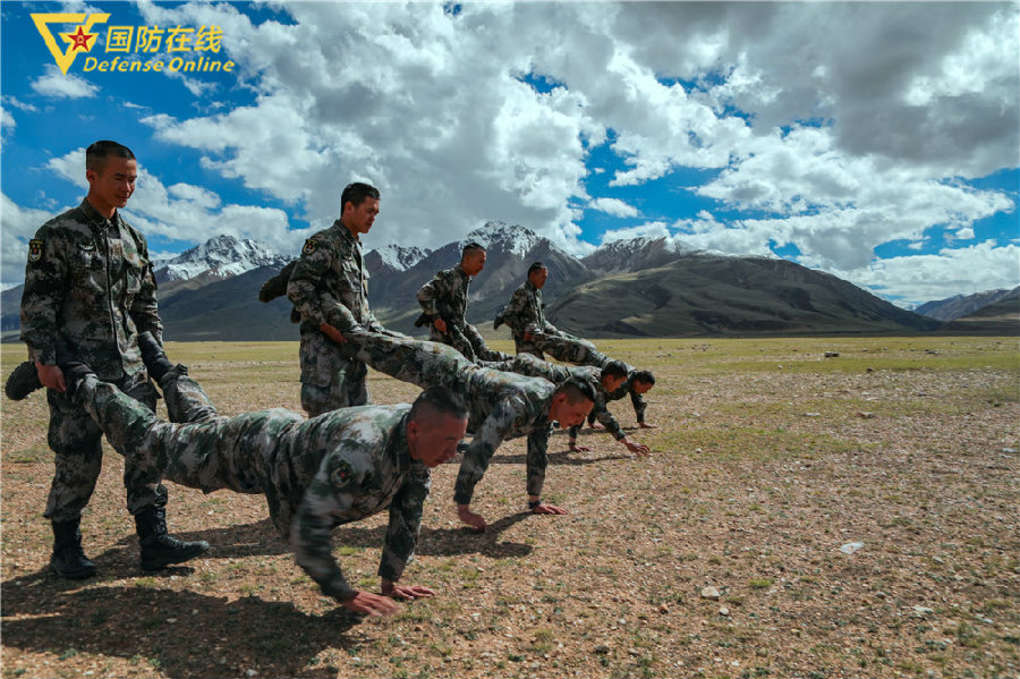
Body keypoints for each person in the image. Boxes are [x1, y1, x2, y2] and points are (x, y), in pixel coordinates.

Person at [57, 353, 468, 617]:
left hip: (282, 443)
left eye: (457, 442)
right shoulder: (363, 451)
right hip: (255, 450)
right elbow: (305, 527)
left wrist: (390, 580)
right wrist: (343, 592)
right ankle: (80, 378)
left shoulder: (419, 447)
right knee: (156, 443)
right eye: (447, 443)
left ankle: (168, 372)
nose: (452, 453)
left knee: (205, 431)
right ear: (414, 429)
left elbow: (408, 512)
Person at [18, 140, 208, 579]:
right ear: (92, 176)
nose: (128, 187)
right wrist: (44, 361)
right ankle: (65, 550)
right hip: (77, 374)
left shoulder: (134, 239)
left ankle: (153, 541)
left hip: (131, 371)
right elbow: (38, 306)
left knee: (148, 454)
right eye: (119, 178)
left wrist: (157, 359)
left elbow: (145, 308)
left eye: (133, 179)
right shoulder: (57, 234)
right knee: (77, 458)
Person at [327, 327, 595, 532]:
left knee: (375, 342)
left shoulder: (547, 412)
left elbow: (538, 454)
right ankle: (326, 327)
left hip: (450, 386)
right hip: (440, 367)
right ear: (561, 399)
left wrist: (534, 501)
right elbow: (482, 448)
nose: (577, 421)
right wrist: (464, 505)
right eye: (577, 414)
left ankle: (339, 332)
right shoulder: (521, 402)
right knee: (370, 345)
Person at [286, 182, 405, 417]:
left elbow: (358, 303)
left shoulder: (355, 248)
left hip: (353, 353)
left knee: (358, 424)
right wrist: (325, 325)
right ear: (349, 207)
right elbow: (297, 287)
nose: (373, 218)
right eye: (369, 211)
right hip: (325, 356)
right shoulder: (324, 243)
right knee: (326, 429)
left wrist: (378, 334)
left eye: (376, 213)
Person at [482, 354, 650, 455]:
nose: (619, 387)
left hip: (529, 367)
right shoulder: (594, 384)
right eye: (619, 383)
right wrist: (626, 441)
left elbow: (578, 414)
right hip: (526, 370)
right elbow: (603, 414)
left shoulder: (596, 376)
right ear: (610, 378)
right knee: (478, 370)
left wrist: (572, 444)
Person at [415, 242, 509, 363]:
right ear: (467, 259)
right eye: (480, 261)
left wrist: (469, 330)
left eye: (484, 262)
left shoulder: (465, 279)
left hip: (459, 330)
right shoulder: (450, 277)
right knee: (471, 366)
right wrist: (436, 317)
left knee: (484, 353)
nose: (482, 266)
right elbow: (423, 293)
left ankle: (516, 363)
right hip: (446, 340)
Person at [496, 262, 604, 364]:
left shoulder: (537, 292)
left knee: (541, 367)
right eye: (543, 277)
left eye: (546, 277)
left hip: (537, 336)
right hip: (526, 341)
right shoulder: (522, 291)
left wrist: (551, 330)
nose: (544, 280)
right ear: (533, 275)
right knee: (533, 369)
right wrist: (523, 331)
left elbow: (538, 316)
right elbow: (509, 316)